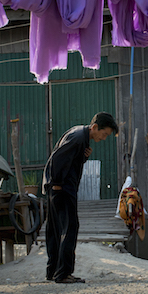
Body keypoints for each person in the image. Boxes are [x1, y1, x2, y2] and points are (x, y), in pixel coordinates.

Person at [43, 112, 118, 284]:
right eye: (104, 134)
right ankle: (63, 274)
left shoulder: (78, 135)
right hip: (62, 188)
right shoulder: (78, 138)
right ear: (95, 127)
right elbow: (57, 159)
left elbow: (67, 160)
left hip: (57, 188)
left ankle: (53, 271)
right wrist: (57, 184)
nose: (104, 138)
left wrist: (83, 157)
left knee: (55, 230)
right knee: (70, 228)